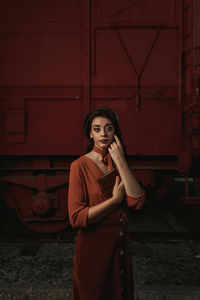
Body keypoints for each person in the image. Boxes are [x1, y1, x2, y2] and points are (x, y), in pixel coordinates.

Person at [68, 106, 145, 300]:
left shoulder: (119, 163)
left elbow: (137, 201)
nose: (103, 134)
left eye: (109, 128)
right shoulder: (79, 166)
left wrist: (120, 160)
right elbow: (76, 218)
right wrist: (114, 201)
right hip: (93, 249)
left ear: (115, 132)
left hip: (119, 245)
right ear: (90, 134)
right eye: (97, 129)